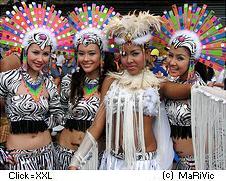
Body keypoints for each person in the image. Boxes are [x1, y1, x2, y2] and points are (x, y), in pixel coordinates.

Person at [68, 11, 193, 170]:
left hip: (144, 165)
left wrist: (204, 86)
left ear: (146, 54)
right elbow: (97, 126)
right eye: (124, 54)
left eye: (135, 53)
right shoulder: (111, 81)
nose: (129, 60)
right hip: (113, 162)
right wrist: (76, 160)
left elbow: (189, 90)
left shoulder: (157, 84)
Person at [0, 1, 74, 170]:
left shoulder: (48, 82)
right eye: (35, 52)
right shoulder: (7, 78)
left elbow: (59, 114)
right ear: (25, 51)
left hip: (47, 155)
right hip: (17, 158)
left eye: (45, 54)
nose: (40, 59)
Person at [153, 3, 225, 169]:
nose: (172, 62)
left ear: (192, 61)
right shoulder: (170, 82)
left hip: (198, 165)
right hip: (174, 163)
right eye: (170, 55)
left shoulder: (199, 89)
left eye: (180, 58)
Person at [54, 3, 118, 170]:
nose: (86, 59)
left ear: (102, 55)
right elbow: (59, 114)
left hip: (92, 157)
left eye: (91, 53)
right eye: (81, 53)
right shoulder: (68, 80)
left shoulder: (111, 83)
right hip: (63, 153)